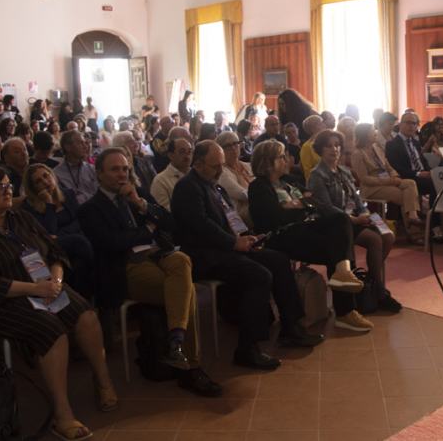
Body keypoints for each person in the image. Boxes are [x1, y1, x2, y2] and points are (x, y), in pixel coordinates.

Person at [0, 167, 116, 439]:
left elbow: (55, 251)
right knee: (52, 330)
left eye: (9, 185)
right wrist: (35, 288)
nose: (8, 191)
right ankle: (62, 414)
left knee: (86, 316)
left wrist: (55, 281)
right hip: (5, 302)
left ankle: (103, 382)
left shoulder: (21, 219)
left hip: (45, 287)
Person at [77, 148, 221, 396]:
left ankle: (176, 344)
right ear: (99, 174)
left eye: (125, 169)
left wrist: (141, 204)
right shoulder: (90, 209)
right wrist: (148, 230)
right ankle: (191, 367)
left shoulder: (137, 195)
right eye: (114, 169)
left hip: (160, 256)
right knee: (184, 292)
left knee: (182, 262)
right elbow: (112, 243)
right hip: (127, 266)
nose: (122, 174)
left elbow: (170, 223)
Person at [172, 141, 323, 370]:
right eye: (215, 166)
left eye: (222, 165)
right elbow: (201, 227)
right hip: (203, 254)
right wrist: (234, 243)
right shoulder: (188, 188)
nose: (221, 171)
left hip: (225, 247)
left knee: (278, 259)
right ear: (199, 164)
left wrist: (248, 237)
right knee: (259, 275)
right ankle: (247, 347)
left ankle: (291, 327)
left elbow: (230, 218)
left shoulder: (214, 185)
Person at [248, 140, 371, 331]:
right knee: (338, 248)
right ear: (268, 162)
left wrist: (297, 206)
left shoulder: (288, 181)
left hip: (303, 229)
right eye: (281, 157)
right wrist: (301, 206)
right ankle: (346, 311)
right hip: (281, 237)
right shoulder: (258, 187)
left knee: (340, 221)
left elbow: (316, 203)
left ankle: (344, 277)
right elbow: (273, 218)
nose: (288, 160)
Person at [309, 130, 401, 313]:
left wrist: (366, 213)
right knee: (374, 240)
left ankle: (371, 282)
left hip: (356, 217)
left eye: (337, 145)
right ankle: (380, 292)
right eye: (329, 146)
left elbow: (357, 200)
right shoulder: (317, 175)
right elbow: (326, 208)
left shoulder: (344, 171)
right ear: (320, 149)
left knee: (388, 236)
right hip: (335, 223)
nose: (334, 149)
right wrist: (355, 219)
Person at [22, 164, 95, 300]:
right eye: (38, 181)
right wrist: (49, 205)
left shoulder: (68, 194)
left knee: (79, 263)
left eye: (46, 176)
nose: (45, 182)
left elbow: (79, 221)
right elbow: (48, 233)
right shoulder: (28, 207)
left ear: (52, 176)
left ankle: (82, 301)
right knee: (80, 242)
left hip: (70, 244)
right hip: (50, 249)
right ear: (33, 188)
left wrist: (62, 234)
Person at [351, 123, 425, 242]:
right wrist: (389, 181)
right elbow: (364, 179)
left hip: (387, 181)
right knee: (407, 196)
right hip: (372, 188)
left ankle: (412, 216)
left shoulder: (376, 148)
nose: (375, 132)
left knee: (410, 183)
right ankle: (413, 232)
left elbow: (388, 166)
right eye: (372, 131)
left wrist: (394, 176)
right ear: (365, 134)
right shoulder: (357, 154)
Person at [385, 112, 443, 242]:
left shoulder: (415, 143)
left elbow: (422, 162)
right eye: (408, 122)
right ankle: (435, 226)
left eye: (414, 123)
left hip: (421, 176)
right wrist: (418, 173)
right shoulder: (392, 144)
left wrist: (430, 171)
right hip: (407, 179)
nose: (411, 126)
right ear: (400, 124)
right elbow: (396, 168)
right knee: (435, 185)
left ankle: (440, 220)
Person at [216, 131, 254, 225]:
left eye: (235, 144)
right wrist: (263, 195)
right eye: (228, 146)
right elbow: (242, 194)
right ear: (221, 149)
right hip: (241, 215)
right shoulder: (222, 172)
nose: (233, 148)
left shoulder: (248, 165)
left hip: (255, 205)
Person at [54, 130, 98, 205]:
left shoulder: (92, 169)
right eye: (81, 143)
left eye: (85, 143)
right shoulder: (56, 174)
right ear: (68, 147)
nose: (85, 146)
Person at [150, 137, 193, 212]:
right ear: (170, 155)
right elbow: (163, 212)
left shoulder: (196, 174)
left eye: (189, 152)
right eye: (182, 152)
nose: (187, 156)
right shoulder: (160, 181)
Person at [299, 114, 326, 181]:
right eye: (321, 123)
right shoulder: (306, 147)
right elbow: (308, 172)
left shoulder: (326, 142)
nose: (324, 125)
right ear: (313, 128)